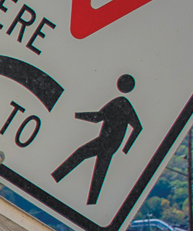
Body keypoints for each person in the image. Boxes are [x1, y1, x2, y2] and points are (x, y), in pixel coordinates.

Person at [52, 74, 142, 205]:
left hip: (106, 142)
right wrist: (77, 115)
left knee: (81, 154)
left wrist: (126, 148)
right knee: (99, 173)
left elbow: (137, 127)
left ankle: (56, 177)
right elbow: (98, 117)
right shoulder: (120, 103)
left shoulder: (121, 103)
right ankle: (90, 203)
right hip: (111, 144)